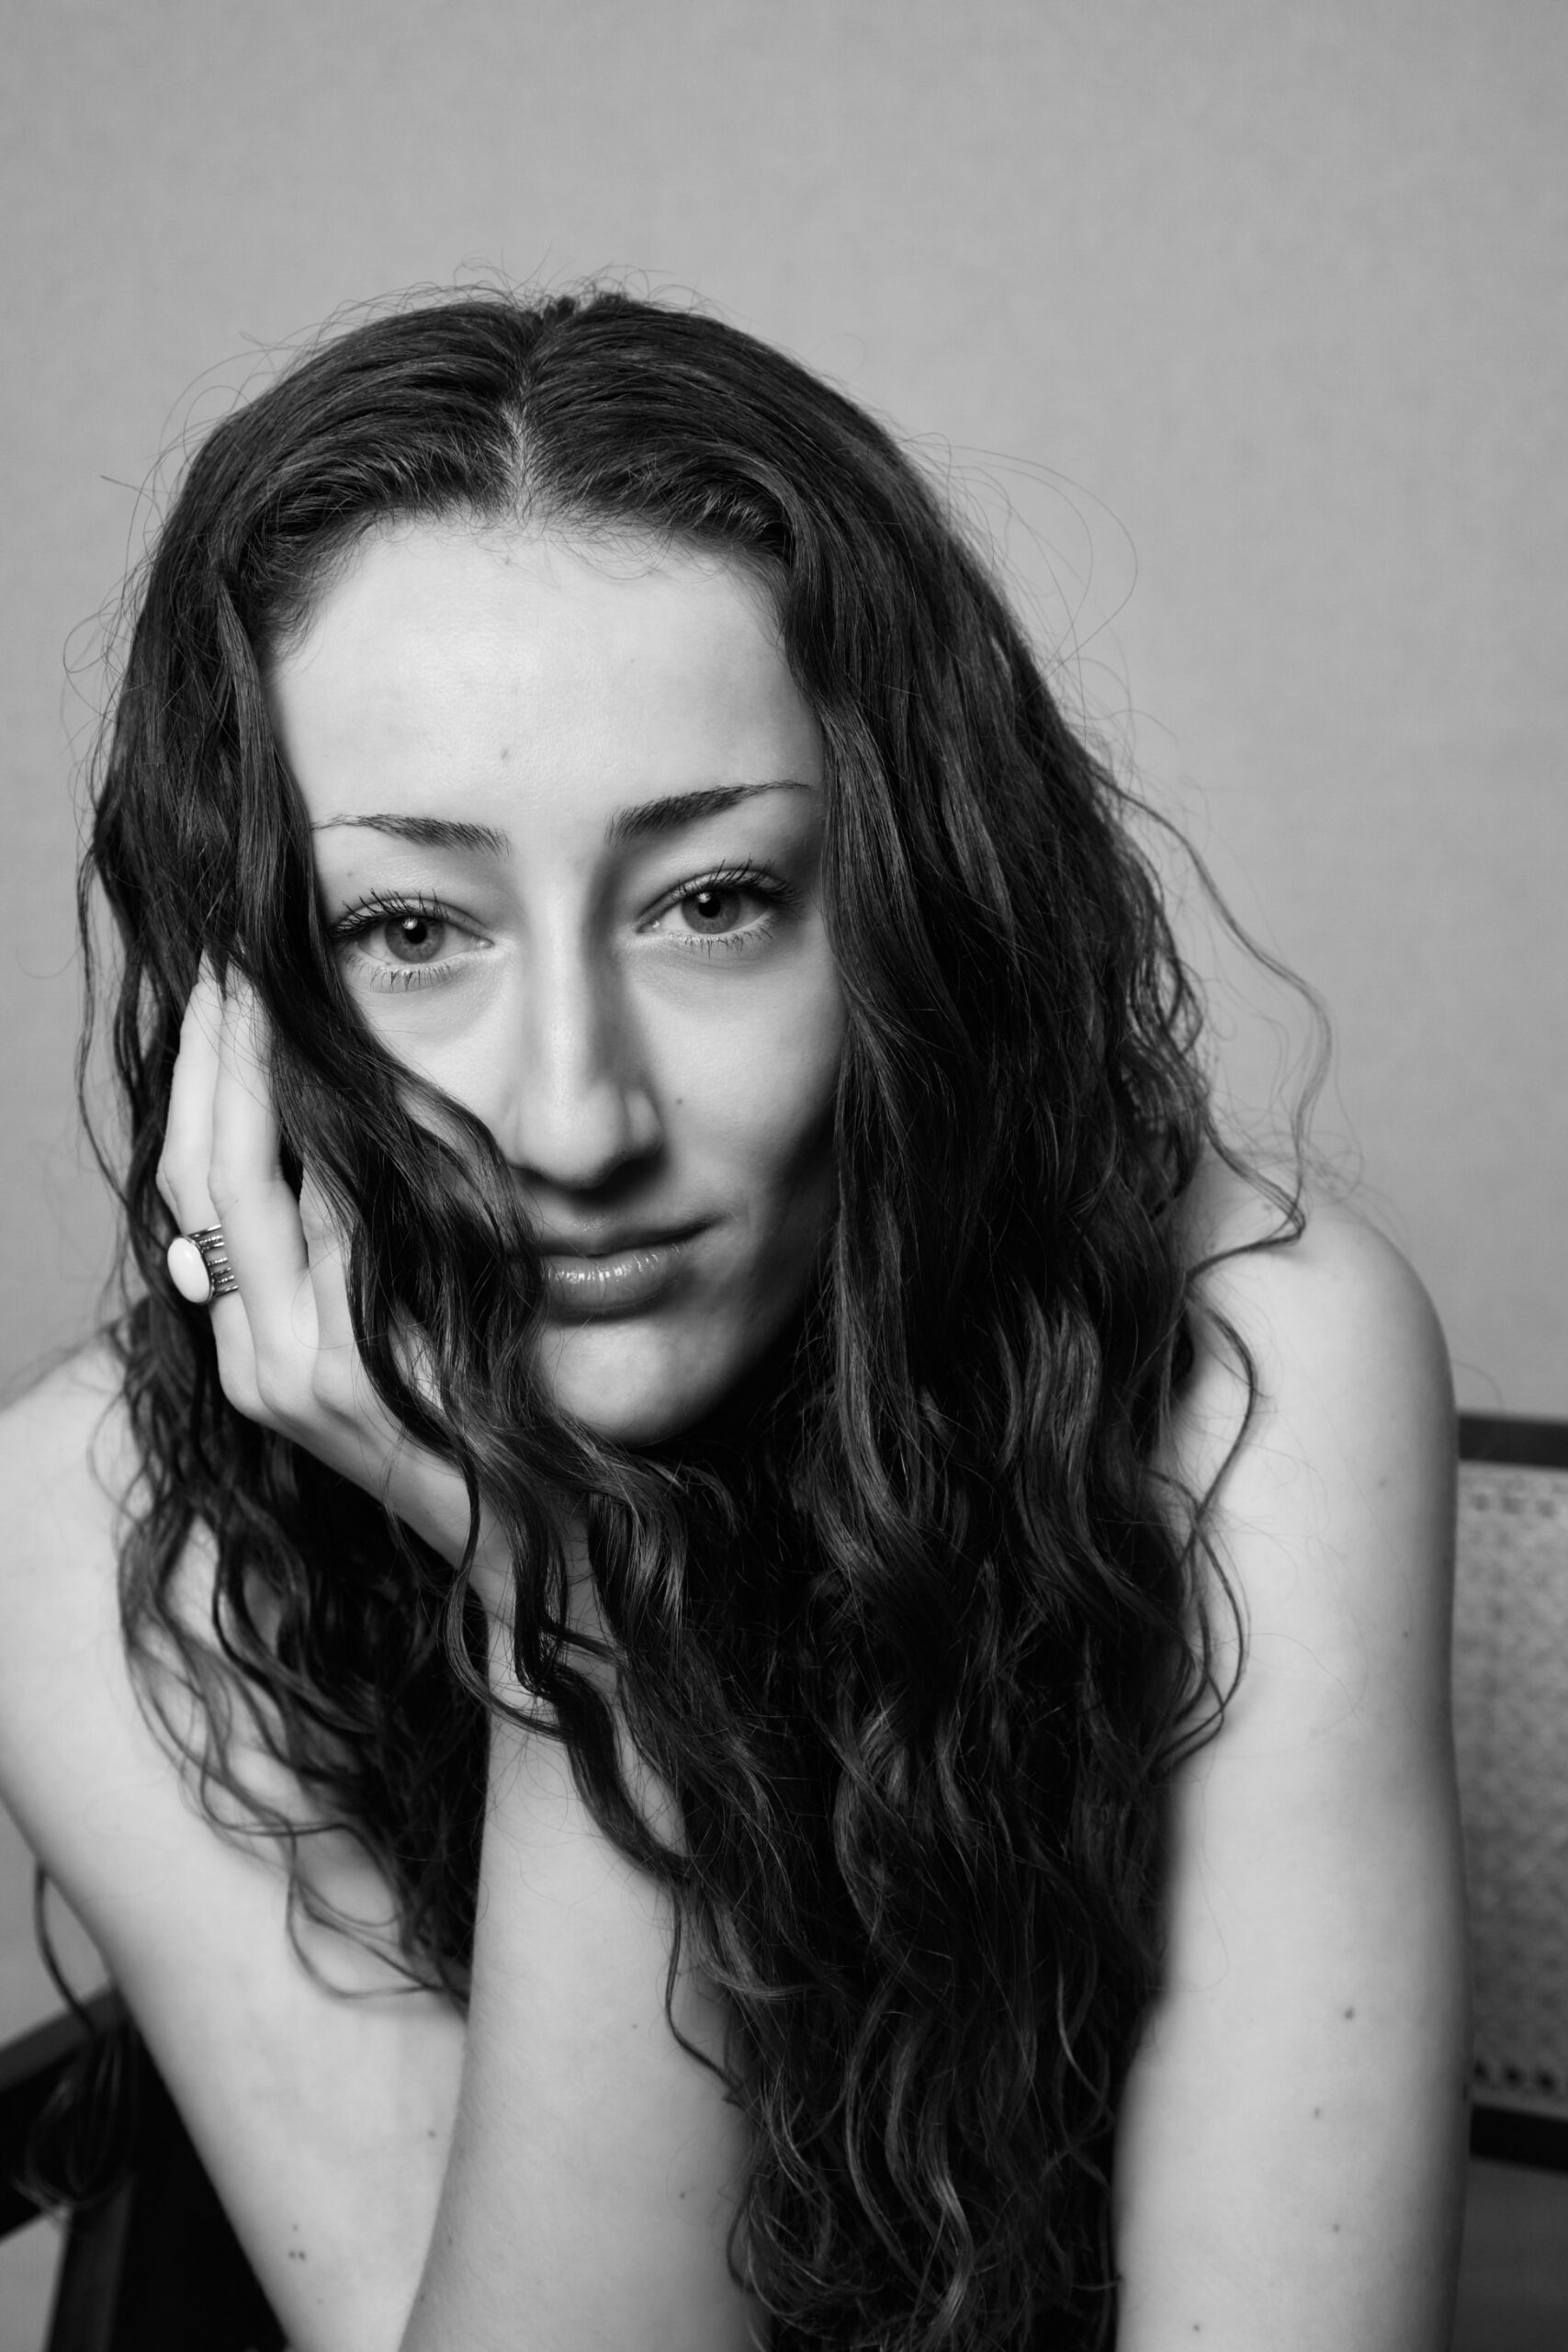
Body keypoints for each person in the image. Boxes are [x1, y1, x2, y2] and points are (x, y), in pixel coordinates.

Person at [0, 289, 1466, 2352]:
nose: (576, 1119)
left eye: (714, 901)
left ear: (913, 908)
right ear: (246, 995)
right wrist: (574, 1629)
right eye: (407, 928)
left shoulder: (1251, 1366)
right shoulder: (88, 1519)